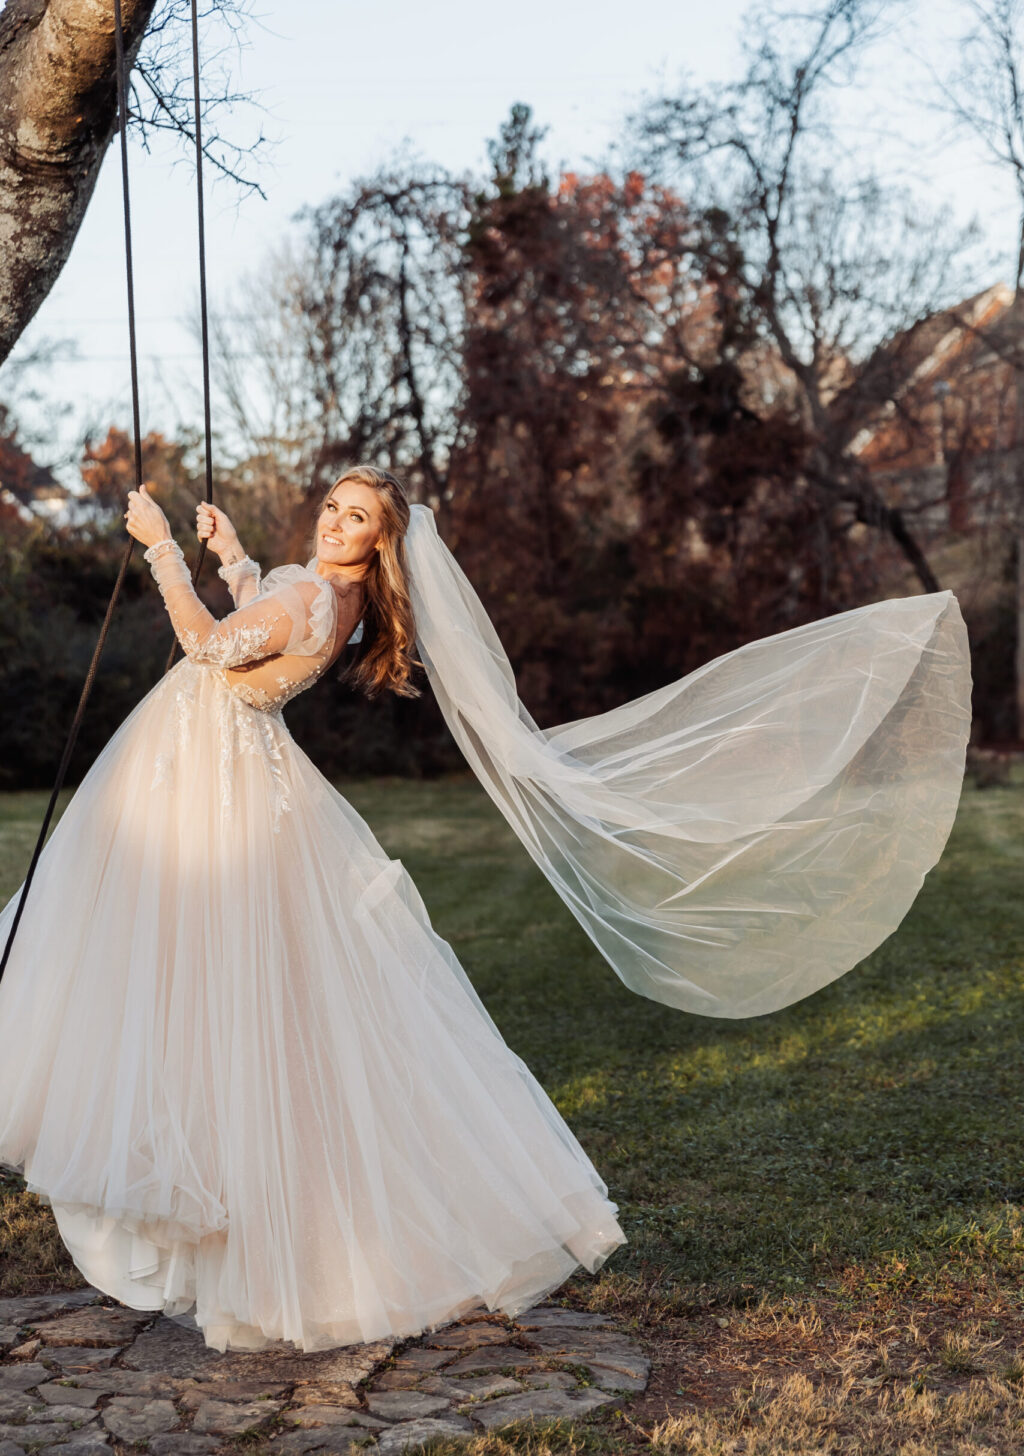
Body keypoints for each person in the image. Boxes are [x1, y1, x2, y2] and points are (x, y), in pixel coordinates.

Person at [0, 463, 972, 1353]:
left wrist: (161, 547)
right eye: (332, 508)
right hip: (237, 784)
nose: (335, 524)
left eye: (356, 519)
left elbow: (216, 648)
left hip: (204, 786)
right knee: (248, 997)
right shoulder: (328, 598)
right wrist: (232, 556)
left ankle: (216, 1196)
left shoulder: (311, 592)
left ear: (381, 541)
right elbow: (271, 622)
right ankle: (248, 1209)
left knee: (150, 965)